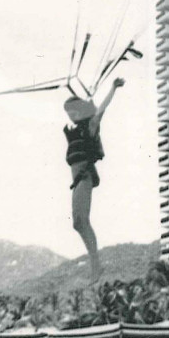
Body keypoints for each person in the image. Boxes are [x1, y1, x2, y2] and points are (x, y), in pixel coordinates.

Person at [63, 76, 125, 283]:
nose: (69, 115)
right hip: (78, 181)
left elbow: (101, 111)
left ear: (79, 111)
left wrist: (113, 89)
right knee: (78, 223)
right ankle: (95, 263)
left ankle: (96, 265)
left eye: (72, 111)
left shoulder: (88, 128)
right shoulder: (73, 133)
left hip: (84, 177)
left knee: (82, 220)